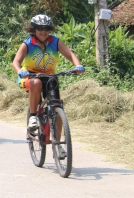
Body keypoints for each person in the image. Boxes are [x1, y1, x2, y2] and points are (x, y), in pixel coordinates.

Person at [11, 14, 84, 158]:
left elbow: (70, 54)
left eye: (46, 29)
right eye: (39, 29)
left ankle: (57, 145)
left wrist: (78, 65)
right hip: (29, 78)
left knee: (57, 107)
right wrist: (20, 71)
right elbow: (16, 62)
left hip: (50, 77)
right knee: (36, 82)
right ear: (34, 30)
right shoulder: (27, 44)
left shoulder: (55, 42)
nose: (43, 32)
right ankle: (33, 116)